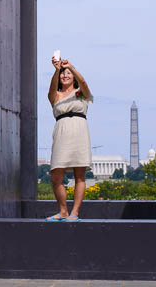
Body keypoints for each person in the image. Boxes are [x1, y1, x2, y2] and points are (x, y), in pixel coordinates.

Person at [45, 55, 93, 222]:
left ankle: (75, 213)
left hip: (79, 131)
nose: (65, 76)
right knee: (56, 176)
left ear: (73, 76)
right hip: (62, 132)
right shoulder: (56, 96)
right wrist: (57, 70)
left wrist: (71, 67)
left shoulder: (80, 94)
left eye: (68, 73)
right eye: (63, 74)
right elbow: (50, 91)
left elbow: (85, 84)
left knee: (79, 175)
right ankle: (63, 211)